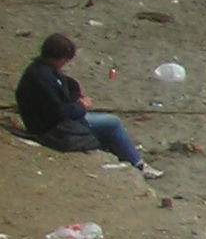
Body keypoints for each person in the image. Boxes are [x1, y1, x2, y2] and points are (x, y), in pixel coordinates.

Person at [15, 35, 160, 178]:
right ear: (58, 58)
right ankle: (138, 164)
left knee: (105, 125)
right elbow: (59, 112)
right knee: (112, 123)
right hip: (52, 128)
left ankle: (123, 153)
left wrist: (76, 96)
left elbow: (69, 85)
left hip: (48, 122)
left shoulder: (40, 69)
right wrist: (81, 106)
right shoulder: (43, 78)